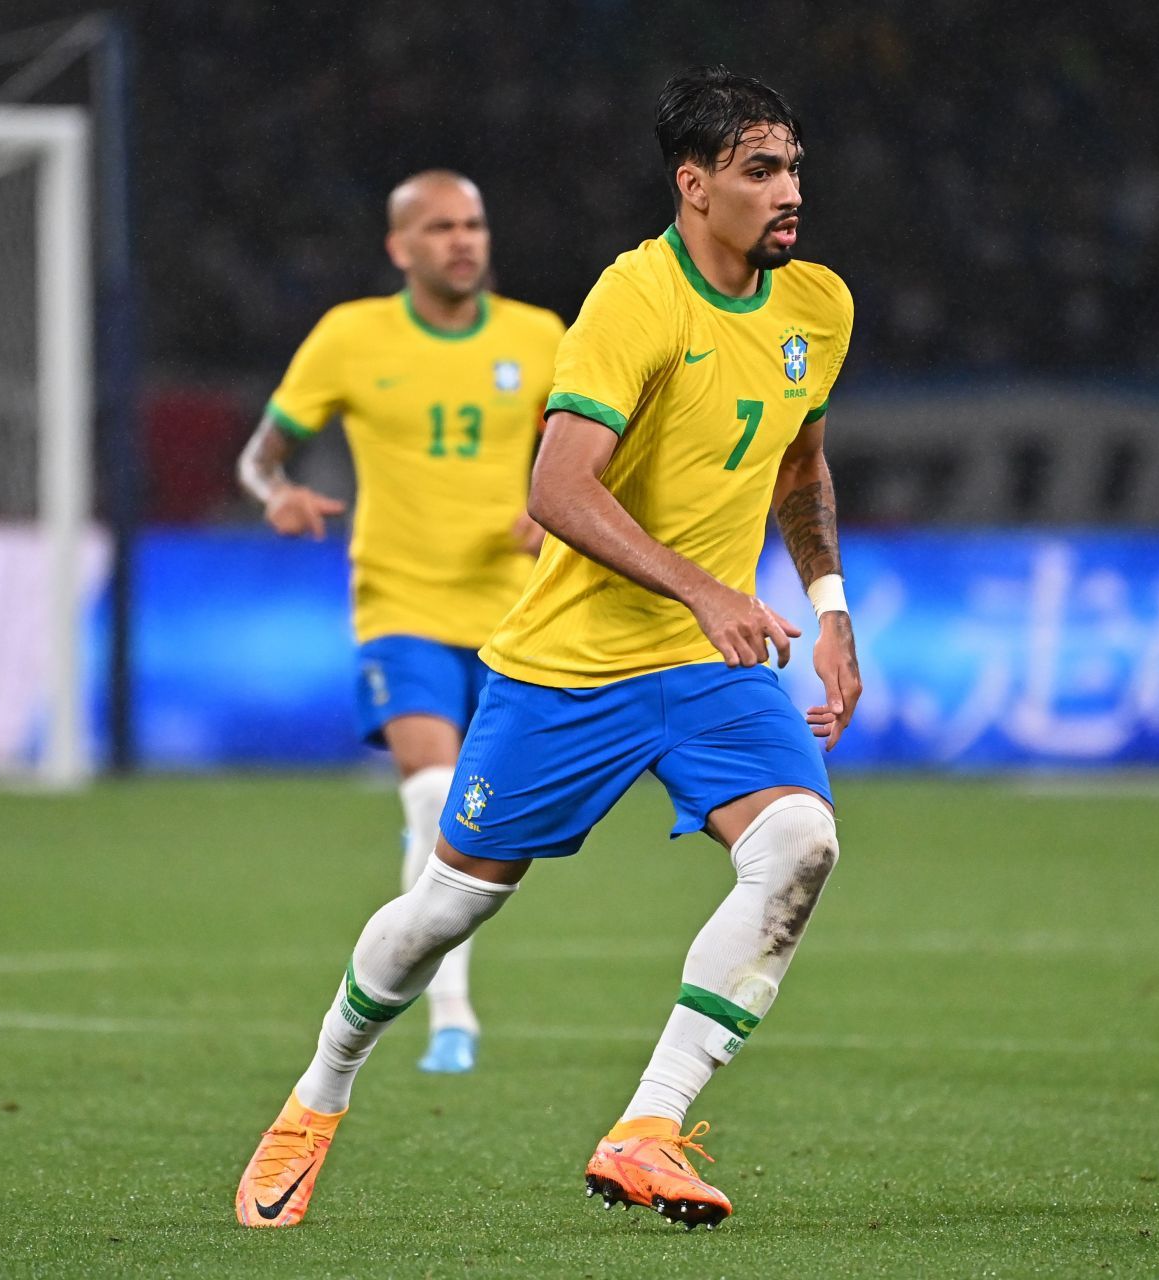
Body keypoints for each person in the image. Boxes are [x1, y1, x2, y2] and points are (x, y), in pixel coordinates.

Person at [235, 66, 859, 1232]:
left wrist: (827, 602)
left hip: (708, 662)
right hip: (568, 663)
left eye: (794, 170)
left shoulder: (815, 304)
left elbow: (801, 463)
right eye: (761, 171)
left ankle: (648, 1125)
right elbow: (559, 486)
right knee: (447, 905)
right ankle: (320, 1091)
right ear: (695, 184)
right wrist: (708, 587)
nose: (790, 194)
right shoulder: (634, 298)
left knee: (800, 843)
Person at [236, 169, 563, 1076]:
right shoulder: (351, 336)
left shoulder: (540, 339)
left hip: (516, 615)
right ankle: (450, 1012)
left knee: (481, 820)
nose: (463, 241)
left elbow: (596, 456)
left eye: (475, 224)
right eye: (441, 228)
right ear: (400, 247)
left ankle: (437, 966)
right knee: (432, 792)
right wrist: (279, 495)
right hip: (401, 604)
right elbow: (259, 458)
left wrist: (559, 508)